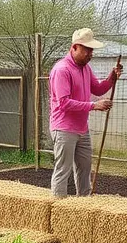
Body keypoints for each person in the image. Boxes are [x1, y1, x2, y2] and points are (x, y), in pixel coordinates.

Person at [48, 28, 123, 198]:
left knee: (85, 168)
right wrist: (93, 106)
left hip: (81, 128)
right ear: (74, 47)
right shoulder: (62, 70)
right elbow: (64, 103)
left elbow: (97, 88)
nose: (90, 54)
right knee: (63, 169)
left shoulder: (85, 68)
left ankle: (84, 204)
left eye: (92, 50)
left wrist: (112, 77)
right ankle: (58, 206)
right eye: (87, 50)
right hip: (64, 128)